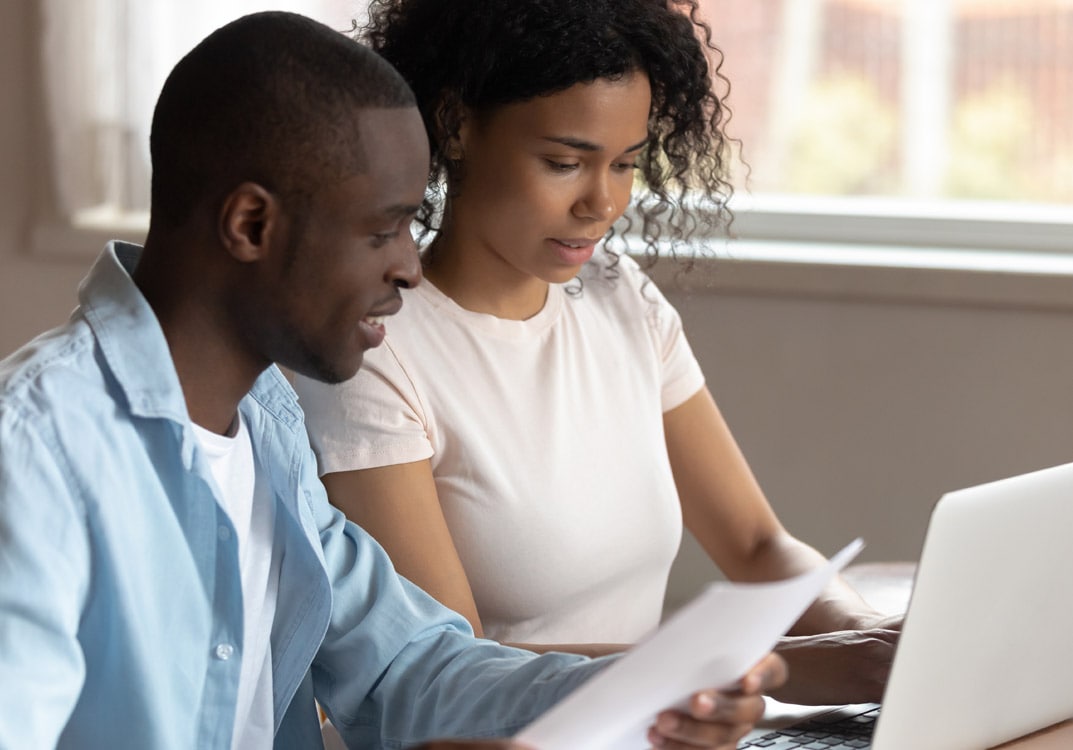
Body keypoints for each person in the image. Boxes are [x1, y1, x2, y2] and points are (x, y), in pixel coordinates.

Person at [0, 11, 787, 750]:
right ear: (250, 225)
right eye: (381, 230)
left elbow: (410, 665)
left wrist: (654, 689)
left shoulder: (265, 433)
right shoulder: (36, 455)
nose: (409, 267)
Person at [293, 0, 901, 708]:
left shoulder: (619, 295)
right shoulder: (374, 352)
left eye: (624, 165)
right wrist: (775, 666)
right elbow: (450, 665)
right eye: (563, 163)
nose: (601, 203)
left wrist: (870, 637)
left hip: (658, 724)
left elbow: (759, 545)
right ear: (456, 125)